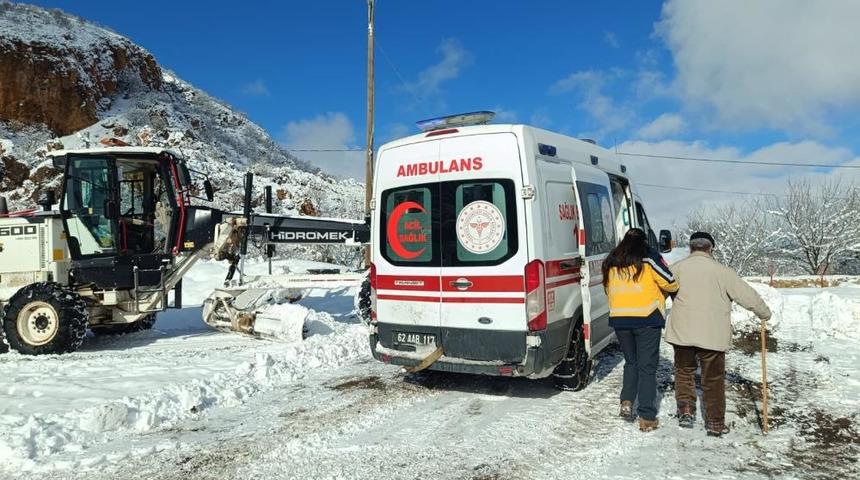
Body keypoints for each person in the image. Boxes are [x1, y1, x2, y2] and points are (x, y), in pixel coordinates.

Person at [666, 232, 771, 437]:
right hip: (712, 334)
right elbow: (747, 295)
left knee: (684, 371)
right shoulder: (723, 272)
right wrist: (764, 313)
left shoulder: (676, 269)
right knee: (713, 378)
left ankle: (686, 410)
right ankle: (715, 423)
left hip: (682, 332)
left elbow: (658, 290)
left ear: (690, 248)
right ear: (711, 249)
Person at [603, 228, 679, 431]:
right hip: (647, 318)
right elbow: (670, 282)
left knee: (631, 362)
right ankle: (647, 416)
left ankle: (627, 401)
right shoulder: (649, 257)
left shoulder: (612, 260)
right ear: (644, 241)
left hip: (620, 319)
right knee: (647, 367)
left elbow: (607, 288)